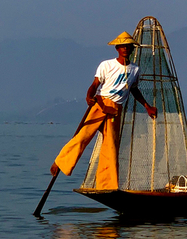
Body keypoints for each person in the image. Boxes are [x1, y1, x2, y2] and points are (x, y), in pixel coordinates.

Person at [50, 31, 157, 189]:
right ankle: (60, 162)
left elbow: (134, 90)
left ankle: (106, 184)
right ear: (117, 49)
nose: (125, 49)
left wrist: (147, 106)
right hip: (100, 104)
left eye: (128, 47)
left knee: (111, 146)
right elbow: (94, 85)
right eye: (122, 47)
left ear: (132, 49)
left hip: (116, 110)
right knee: (83, 136)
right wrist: (89, 97)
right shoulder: (107, 65)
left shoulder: (135, 69)